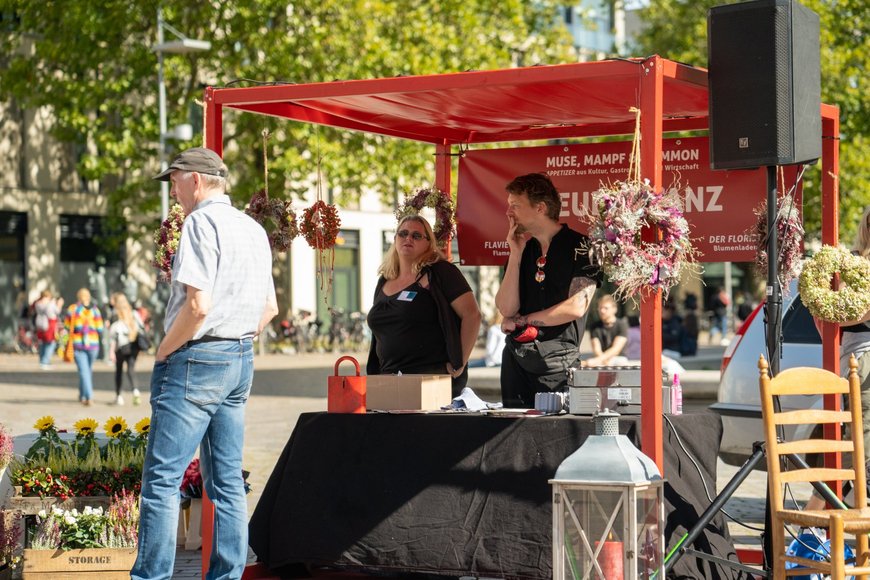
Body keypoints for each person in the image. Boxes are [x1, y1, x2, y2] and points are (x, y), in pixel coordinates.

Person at [132, 147, 278, 580]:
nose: (173, 191)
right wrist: (238, 336)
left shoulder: (200, 222)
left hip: (196, 357)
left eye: (174, 181)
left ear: (195, 179)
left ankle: (151, 577)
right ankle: (226, 575)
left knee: (161, 482)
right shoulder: (253, 229)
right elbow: (269, 307)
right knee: (227, 482)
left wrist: (163, 350)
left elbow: (197, 306)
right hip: (238, 355)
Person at [495, 173, 601, 408]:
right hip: (517, 358)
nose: (508, 212)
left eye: (515, 205)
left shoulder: (583, 247)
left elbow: (576, 306)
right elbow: (505, 307)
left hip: (557, 363)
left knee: (555, 436)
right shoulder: (524, 248)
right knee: (510, 436)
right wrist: (515, 254)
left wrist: (524, 320)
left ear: (540, 207)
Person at [366, 215, 481, 397]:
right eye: (402, 233)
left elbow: (472, 315)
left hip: (431, 379)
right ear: (395, 239)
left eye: (416, 235)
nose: (408, 238)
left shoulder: (441, 272)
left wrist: (459, 362)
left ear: (429, 243)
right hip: (388, 378)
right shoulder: (385, 279)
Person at [64, 288, 103, 405]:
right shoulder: (95, 310)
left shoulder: (72, 309)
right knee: (86, 371)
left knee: (84, 371)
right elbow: (100, 328)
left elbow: (66, 326)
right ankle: (87, 396)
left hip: (78, 344)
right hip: (93, 345)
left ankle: (86, 396)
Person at [107, 292, 143, 406]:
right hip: (133, 345)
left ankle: (119, 397)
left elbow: (113, 335)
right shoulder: (134, 313)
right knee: (131, 369)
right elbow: (141, 326)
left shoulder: (115, 314)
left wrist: (111, 351)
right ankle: (136, 391)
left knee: (119, 370)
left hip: (120, 347)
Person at [584, 294, 629, 366]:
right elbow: (596, 348)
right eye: (600, 308)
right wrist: (602, 360)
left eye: (606, 308)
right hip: (601, 358)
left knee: (620, 362)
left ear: (614, 309)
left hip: (618, 358)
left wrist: (599, 360)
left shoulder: (622, 324)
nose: (602, 311)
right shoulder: (594, 326)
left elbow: (616, 349)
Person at [34, 290, 63, 369]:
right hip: (49, 324)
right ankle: (45, 361)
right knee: (51, 343)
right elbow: (56, 312)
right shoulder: (50, 304)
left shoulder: (37, 303)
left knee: (42, 343)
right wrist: (59, 304)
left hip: (40, 325)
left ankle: (42, 361)